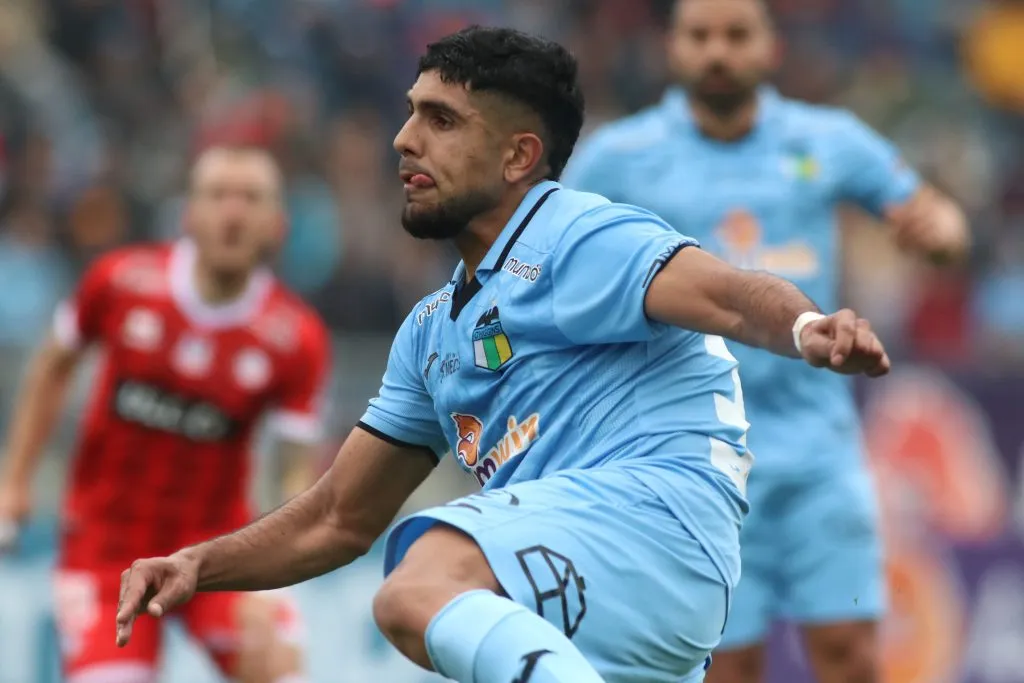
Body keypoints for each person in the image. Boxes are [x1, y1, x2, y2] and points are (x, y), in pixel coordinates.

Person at [115, 27, 890, 683]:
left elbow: (724, 293)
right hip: (585, 594)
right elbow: (338, 516)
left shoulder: (573, 235)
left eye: (441, 120)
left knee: (415, 584)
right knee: (427, 593)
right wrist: (198, 565)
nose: (404, 138)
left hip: (655, 524)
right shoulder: (430, 331)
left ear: (520, 155)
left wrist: (805, 329)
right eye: (412, 112)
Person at [562, 1, 970, 682]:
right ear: (672, 47)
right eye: (700, 36)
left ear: (770, 47)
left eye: (735, 34)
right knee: (727, 666)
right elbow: (550, 255)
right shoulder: (619, 157)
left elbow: (936, 214)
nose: (717, 51)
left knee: (854, 656)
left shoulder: (828, 139)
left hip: (819, 450)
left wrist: (942, 232)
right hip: (696, 453)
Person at [0, 146, 331, 683]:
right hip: (106, 548)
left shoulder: (296, 338)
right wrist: (13, 482)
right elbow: (51, 367)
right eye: (218, 196)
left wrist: (276, 580)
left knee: (279, 664)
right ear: (189, 213)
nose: (233, 213)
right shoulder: (120, 282)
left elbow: (294, 473)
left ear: (276, 225)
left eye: (250, 199)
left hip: (216, 551)